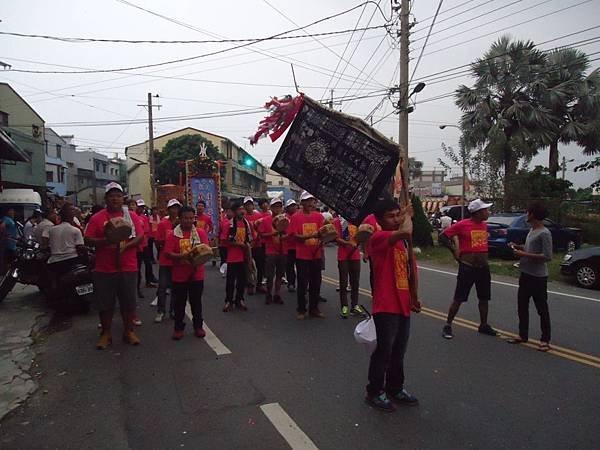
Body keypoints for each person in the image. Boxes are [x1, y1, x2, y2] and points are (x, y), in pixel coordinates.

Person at [365, 198, 421, 412]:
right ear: (379, 220)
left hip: (403, 303)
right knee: (384, 351)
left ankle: (395, 388)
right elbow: (407, 230)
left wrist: (414, 296)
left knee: (399, 351)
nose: (396, 219)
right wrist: (407, 215)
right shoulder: (379, 238)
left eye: (398, 214)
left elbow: (411, 270)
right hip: (386, 305)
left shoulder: (403, 243)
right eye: (391, 216)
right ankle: (374, 391)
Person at [84, 182, 144, 350]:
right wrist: (105, 241)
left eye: (118, 196)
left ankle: (128, 331)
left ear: (122, 198)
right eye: (112, 196)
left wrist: (127, 246)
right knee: (105, 304)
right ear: (106, 199)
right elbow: (87, 239)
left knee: (128, 303)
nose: (115, 199)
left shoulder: (130, 216)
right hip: (104, 268)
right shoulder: (97, 218)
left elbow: (140, 236)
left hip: (128, 266)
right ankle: (106, 333)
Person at [439, 199, 498, 340]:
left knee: (484, 298)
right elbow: (443, 237)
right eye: (485, 210)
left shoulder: (484, 225)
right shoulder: (463, 224)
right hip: (468, 267)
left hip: (483, 268)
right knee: (458, 298)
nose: (488, 212)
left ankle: (483, 324)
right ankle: (448, 325)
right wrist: (454, 251)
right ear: (477, 212)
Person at [507, 202, 553, 351]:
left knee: (541, 308)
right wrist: (519, 247)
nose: (526, 214)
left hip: (538, 277)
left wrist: (523, 254)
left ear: (533, 214)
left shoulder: (544, 233)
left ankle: (545, 339)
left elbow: (547, 256)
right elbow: (530, 248)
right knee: (522, 306)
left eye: (528, 212)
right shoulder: (532, 230)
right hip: (525, 273)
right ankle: (522, 334)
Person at [163, 206, 209, 340]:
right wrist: (184, 256)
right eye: (185, 218)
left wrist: (196, 260)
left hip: (197, 274)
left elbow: (206, 251)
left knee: (196, 302)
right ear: (180, 218)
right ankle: (178, 328)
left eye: (191, 218)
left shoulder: (200, 233)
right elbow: (168, 253)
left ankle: (198, 326)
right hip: (179, 275)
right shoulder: (173, 235)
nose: (188, 221)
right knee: (179, 303)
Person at [290, 191, 325, 319]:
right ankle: (301, 309)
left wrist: (323, 238)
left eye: (312, 200)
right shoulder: (295, 217)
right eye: (308, 200)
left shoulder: (319, 217)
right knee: (303, 283)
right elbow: (295, 236)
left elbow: (323, 233)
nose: (311, 203)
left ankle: (314, 308)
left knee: (316, 283)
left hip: (316, 255)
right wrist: (311, 235)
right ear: (302, 202)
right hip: (302, 256)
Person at [154, 199, 182, 323]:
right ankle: (161, 311)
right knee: (163, 286)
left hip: (178, 261)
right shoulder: (162, 224)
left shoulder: (182, 224)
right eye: (172, 208)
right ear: (168, 209)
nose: (174, 210)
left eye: (177, 208)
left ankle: (173, 310)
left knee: (176, 288)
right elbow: (158, 241)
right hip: (165, 261)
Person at [221, 200, 251, 312]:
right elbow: (224, 241)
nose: (242, 211)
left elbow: (250, 239)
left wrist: (247, 246)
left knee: (242, 280)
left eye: (243, 209)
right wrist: (239, 244)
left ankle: (240, 299)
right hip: (232, 257)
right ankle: (228, 300)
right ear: (234, 212)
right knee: (230, 280)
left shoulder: (246, 224)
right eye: (239, 209)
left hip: (244, 257)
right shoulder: (228, 224)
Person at [333, 215, 365, 318]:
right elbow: (336, 238)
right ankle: (344, 306)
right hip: (343, 256)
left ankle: (355, 305)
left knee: (355, 282)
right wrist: (347, 243)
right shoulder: (338, 221)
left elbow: (361, 236)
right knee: (343, 282)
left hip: (355, 255)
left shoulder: (356, 221)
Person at [259, 198, 288, 305]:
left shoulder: (286, 220)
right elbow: (261, 234)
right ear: (271, 208)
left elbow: (289, 235)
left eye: (279, 206)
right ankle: (268, 294)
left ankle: (277, 294)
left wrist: (283, 234)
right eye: (275, 206)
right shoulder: (266, 220)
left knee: (280, 274)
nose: (277, 208)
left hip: (283, 250)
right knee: (270, 275)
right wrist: (274, 233)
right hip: (270, 250)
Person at [45, 205, 85, 278]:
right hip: (71, 261)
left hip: (54, 262)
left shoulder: (52, 230)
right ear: (72, 216)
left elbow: (47, 243)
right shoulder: (75, 230)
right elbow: (80, 247)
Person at [243, 196, 265, 295]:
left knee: (260, 266)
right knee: (248, 266)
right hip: (247, 246)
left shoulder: (259, 216)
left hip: (258, 244)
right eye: (247, 205)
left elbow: (262, 229)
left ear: (253, 205)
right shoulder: (243, 218)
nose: (249, 206)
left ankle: (259, 284)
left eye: (250, 204)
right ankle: (250, 284)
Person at [135, 199, 158, 293]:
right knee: (138, 266)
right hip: (136, 246)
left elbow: (146, 230)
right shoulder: (133, 217)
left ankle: (149, 280)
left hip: (144, 244)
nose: (141, 209)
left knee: (148, 263)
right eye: (139, 207)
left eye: (142, 207)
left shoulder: (144, 218)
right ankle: (137, 286)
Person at [285, 199, 298, 292]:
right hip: (288, 247)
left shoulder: (299, 216)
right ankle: (291, 283)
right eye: (291, 206)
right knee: (289, 267)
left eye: (294, 205)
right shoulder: (284, 218)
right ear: (287, 208)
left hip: (299, 246)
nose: (293, 207)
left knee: (302, 267)